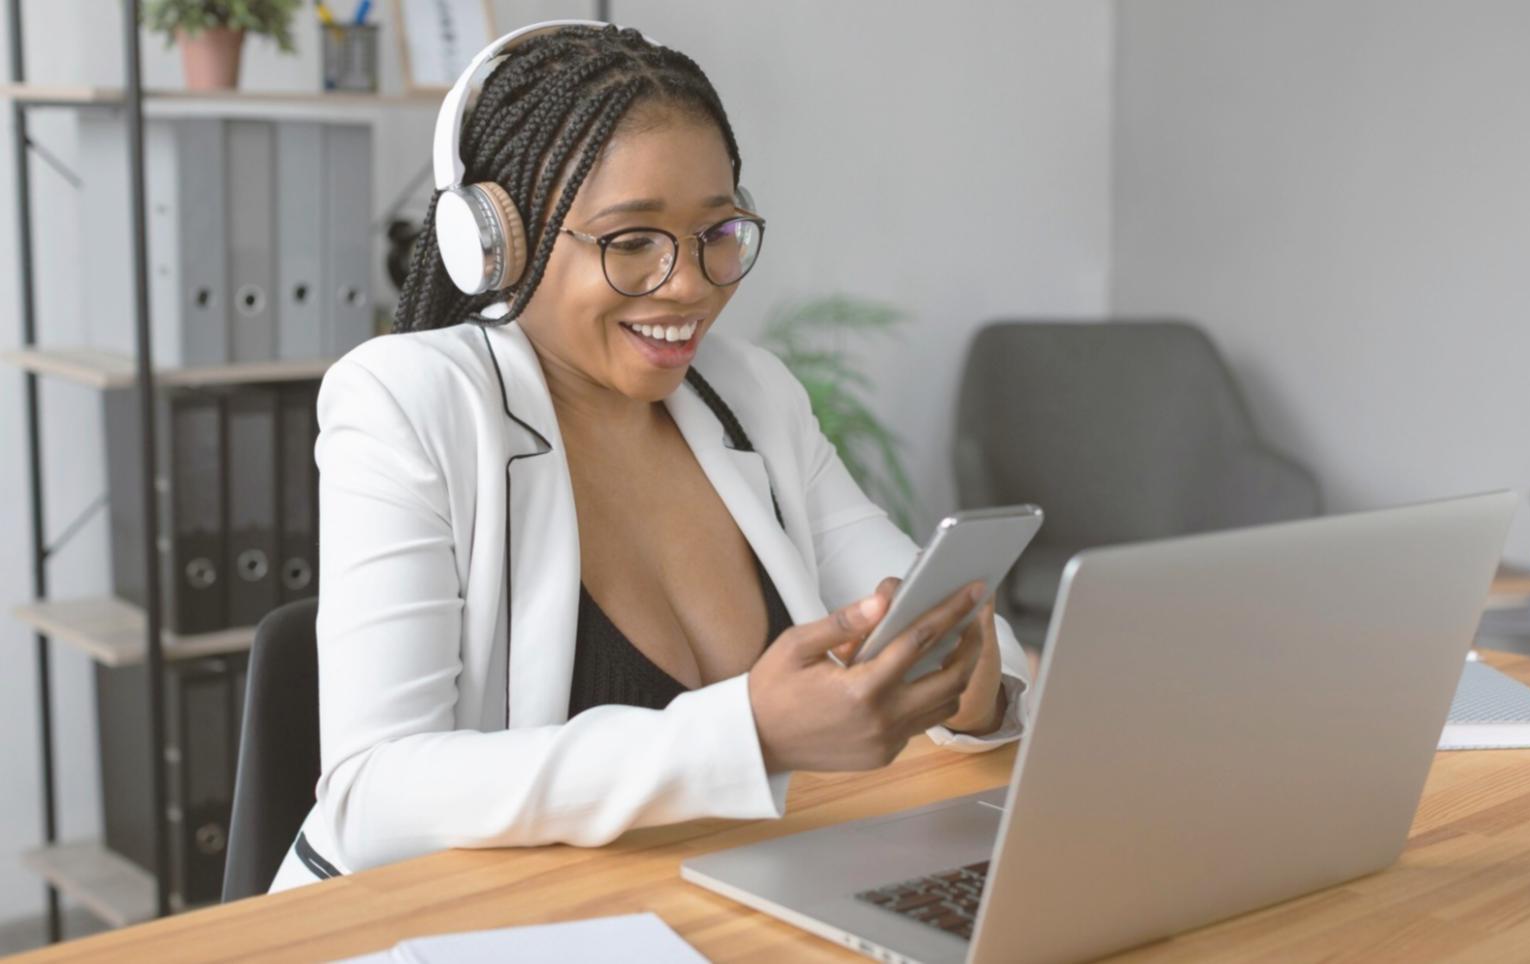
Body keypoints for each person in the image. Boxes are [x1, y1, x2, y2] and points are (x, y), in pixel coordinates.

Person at [269, 21, 1030, 894]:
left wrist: (971, 692)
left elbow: (948, 624)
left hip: (711, 899)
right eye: (631, 240)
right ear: (494, 244)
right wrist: (752, 734)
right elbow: (376, 796)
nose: (691, 284)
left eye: (717, 232)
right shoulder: (408, 400)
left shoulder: (750, 393)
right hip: (461, 927)